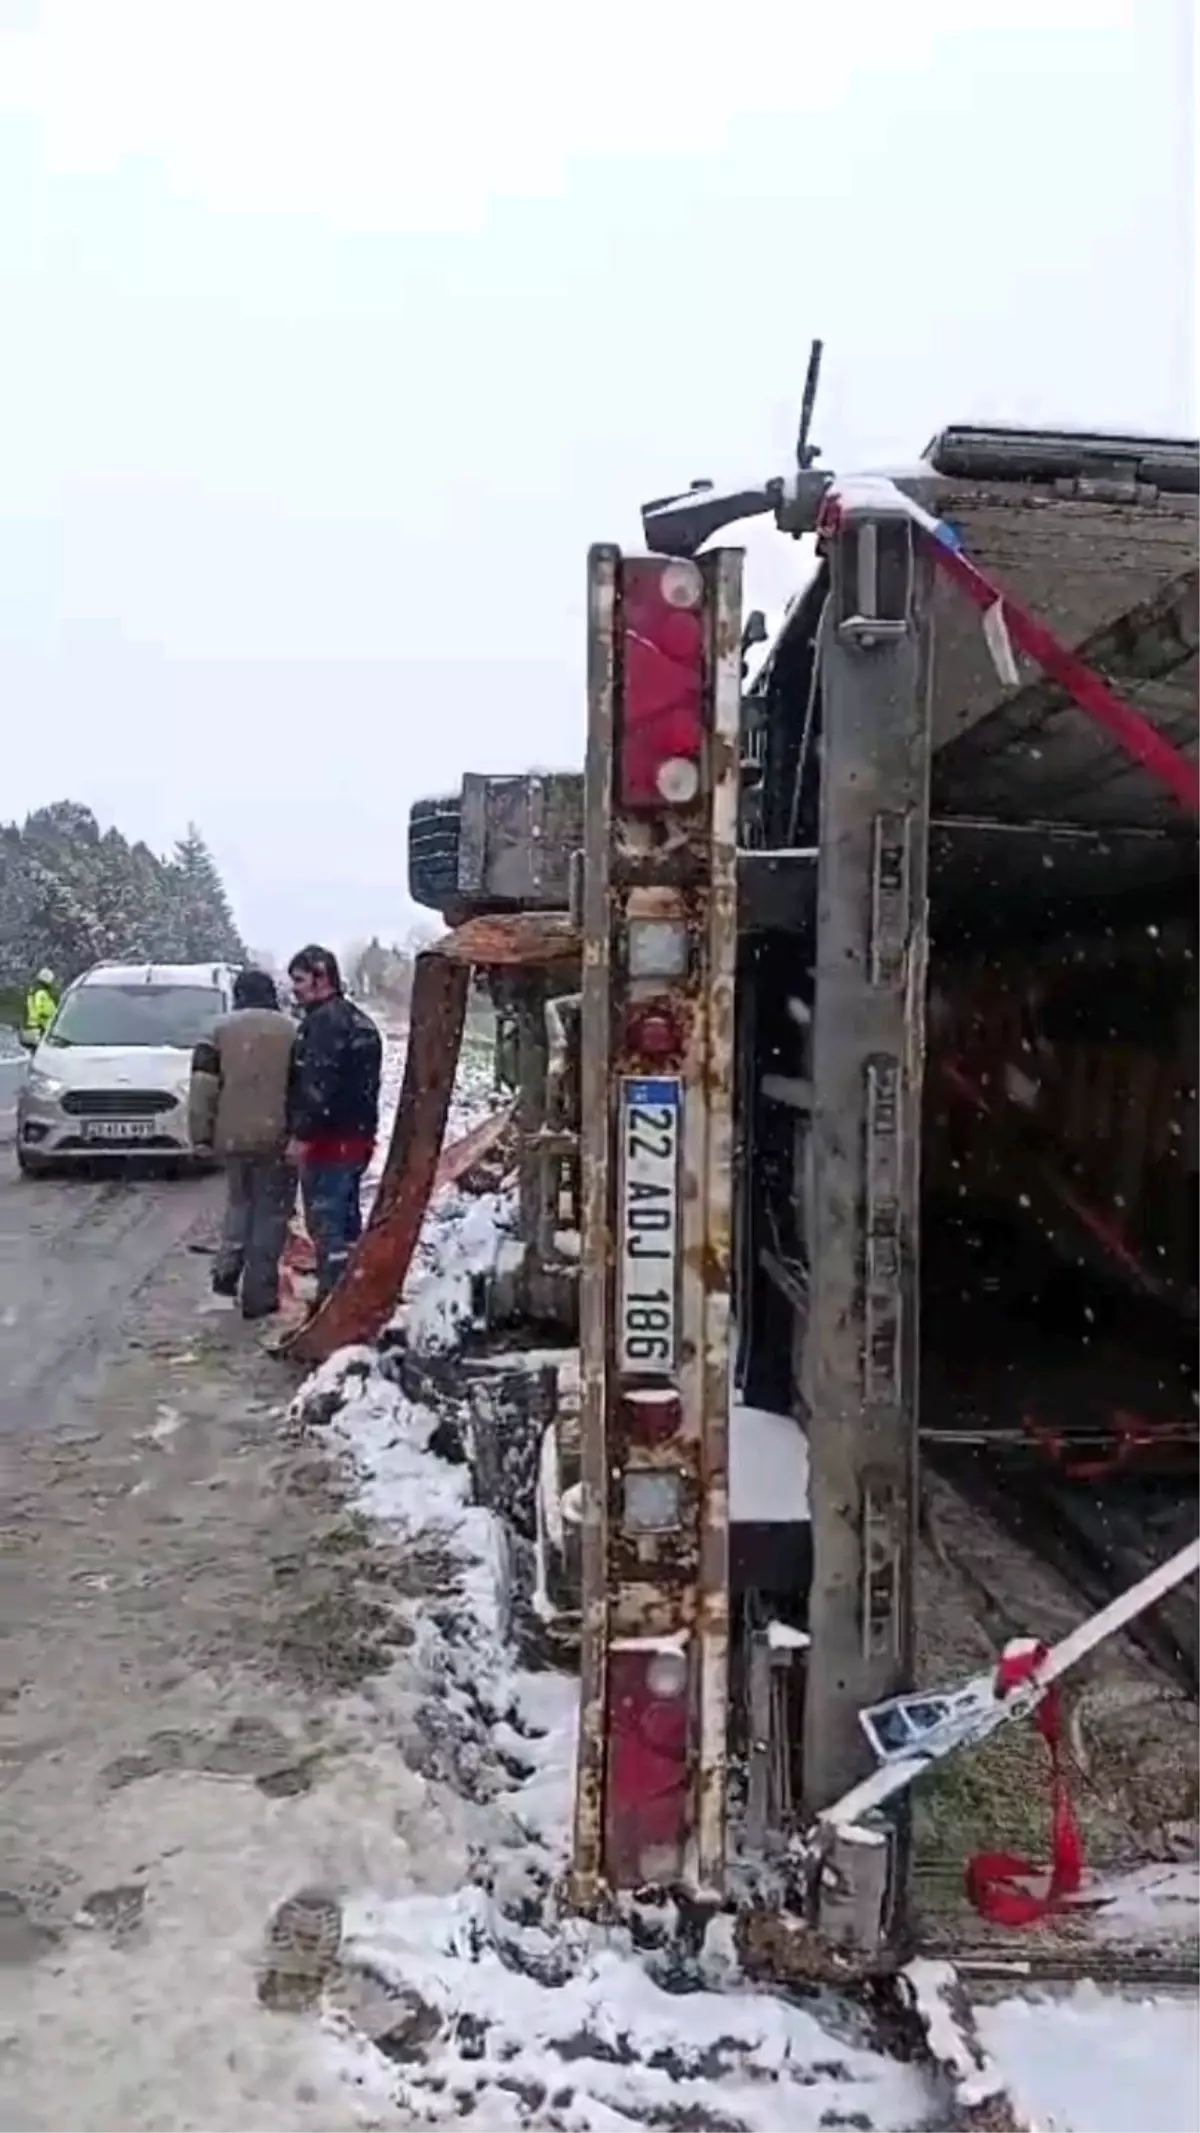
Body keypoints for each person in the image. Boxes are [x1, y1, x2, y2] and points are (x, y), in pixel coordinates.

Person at [188, 967, 297, 1321]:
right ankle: (259, 1294)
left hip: (232, 1137)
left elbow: (203, 1090)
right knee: (271, 1215)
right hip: (278, 1138)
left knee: (239, 1206)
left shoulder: (215, 1032)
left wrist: (201, 1137)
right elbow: (304, 1088)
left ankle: (224, 1281)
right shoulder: (292, 1031)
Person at [286, 944, 382, 1304]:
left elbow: (318, 1087)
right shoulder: (359, 1021)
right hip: (357, 1140)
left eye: (299, 980)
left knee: (326, 1225)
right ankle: (354, 1290)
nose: (294, 989)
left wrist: (302, 1135)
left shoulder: (323, 1025)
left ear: (321, 976)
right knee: (346, 1220)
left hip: (328, 1143)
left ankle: (333, 1302)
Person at [25, 968, 58, 1039]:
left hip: (30, 1027)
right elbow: (41, 1011)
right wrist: (54, 1015)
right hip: (38, 1028)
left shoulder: (33, 991)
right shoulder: (41, 993)